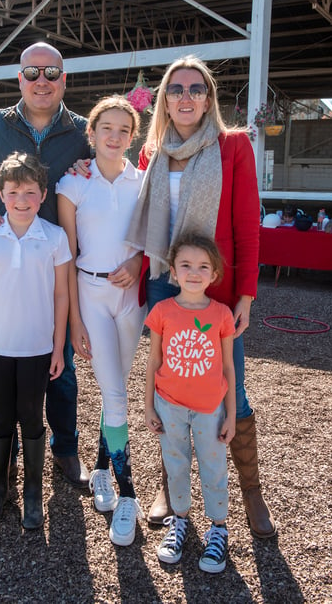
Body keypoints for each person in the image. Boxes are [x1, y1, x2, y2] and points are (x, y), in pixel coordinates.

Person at [126, 55, 276, 538]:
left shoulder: (232, 147)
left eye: (194, 88)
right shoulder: (153, 152)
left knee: (232, 387)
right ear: (164, 100)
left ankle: (250, 493)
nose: (184, 97)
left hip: (216, 288)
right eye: (175, 89)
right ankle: (171, 487)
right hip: (163, 282)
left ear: (209, 98)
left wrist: (247, 293)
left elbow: (247, 227)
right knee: (171, 384)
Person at [0, 42, 91, 493]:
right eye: (32, 73)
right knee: (4, 370)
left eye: (51, 72)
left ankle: (66, 450)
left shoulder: (82, 132)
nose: (42, 81)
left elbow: (102, 184)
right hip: (6, 266)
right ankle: (2, 459)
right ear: (19, 79)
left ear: (64, 79)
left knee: (62, 366)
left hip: (57, 267)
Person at [0, 152, 71, 529]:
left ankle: (32, 493)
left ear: (43, 194)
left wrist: (59, 347)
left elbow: (61, 295)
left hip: (37, 348)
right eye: (13, 193)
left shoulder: (54, 237)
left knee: (32, 416)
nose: (21, 201)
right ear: (0, 194)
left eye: (29, 192)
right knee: (1, 416)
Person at [56, 96, 145, 546]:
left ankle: (99, 469)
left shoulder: (142, 182)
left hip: (132, 299)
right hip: (90, 293)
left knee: (117, 390)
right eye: (105, 127)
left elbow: (153, 237)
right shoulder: (72, 184)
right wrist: (74, 322)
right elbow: (68, 258)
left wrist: (137, 262)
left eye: (123, 130)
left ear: (133, 136)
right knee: (114, 393)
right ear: (91, 133)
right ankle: (128, 494)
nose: (114, 136)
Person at [145, 232, 235, 571]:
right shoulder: (162, 310)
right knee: (176, 464)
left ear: (214, 274)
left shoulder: (222, 315)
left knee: (214, 468)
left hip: (210, 407)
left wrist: (230, 414)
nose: (193, 272)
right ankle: (179, 520)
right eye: (185, 265)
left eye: (202, 266)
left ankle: (218, 528)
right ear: (173, 269)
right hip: (169, 404)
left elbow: (227, 366)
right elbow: (153, 361)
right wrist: (148, 405)